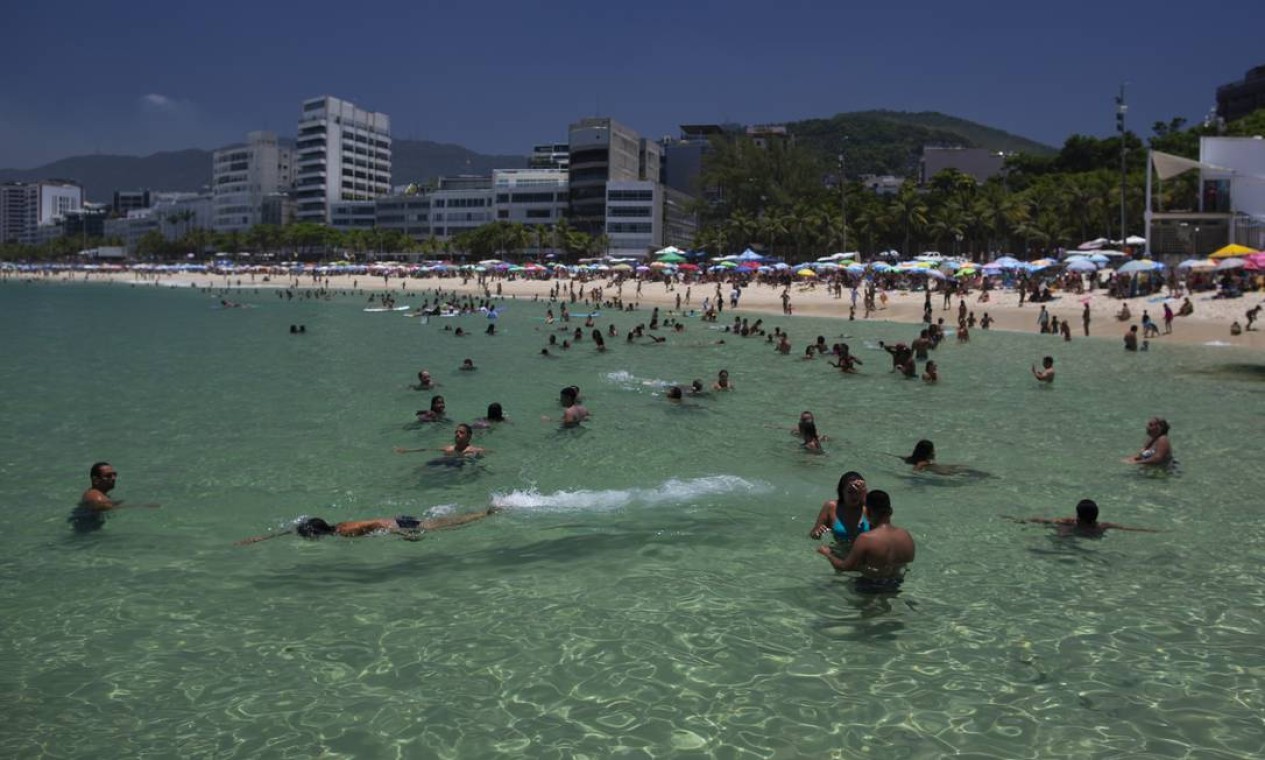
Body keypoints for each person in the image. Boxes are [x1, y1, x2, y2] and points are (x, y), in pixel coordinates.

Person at [815, 490, 915, 593]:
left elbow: (844, 567)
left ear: (868, 512)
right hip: (896, 586)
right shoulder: (906, 536)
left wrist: (828, 554)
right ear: (891, 511)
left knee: (821, 588)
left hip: (868, 587)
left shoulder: (865, 539)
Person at [236, 507, 499, 545]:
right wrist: (260, 539)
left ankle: (488, 511)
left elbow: (374, 523)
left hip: (399, 523)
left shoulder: (345, 531)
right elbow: (293, 528)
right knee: (444, 522)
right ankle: (484, 511)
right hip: (394, 521)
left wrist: (403, 534)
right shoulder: (333, 527)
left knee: (447, 524)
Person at [69, 462, 159, 532]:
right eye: (108, 476)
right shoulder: (95, 496)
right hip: (86, 535)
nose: (113, 478)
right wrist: (143, 506)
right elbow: (108, 508)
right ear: (95, 480)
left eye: (114, 474)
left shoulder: (96, 493)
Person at [1012, 499, 1155, 537]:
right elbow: (1129, 529)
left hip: (1072, 534)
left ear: (1078, 515)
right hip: (1092, 536)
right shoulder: (1102, 526)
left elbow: (1041, 520)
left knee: (1060, 530)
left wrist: (1018, 520)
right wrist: (1153, 531)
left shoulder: (1069, 524)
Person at [808, 471, 869, 548]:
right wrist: (817, 533)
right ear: (842, 491)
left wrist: (865, 492)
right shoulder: (831, 507)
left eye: (858, 492)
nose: (855, 496)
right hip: (838, 553)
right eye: (850, 492)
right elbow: (813, 535)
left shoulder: (868, 508)